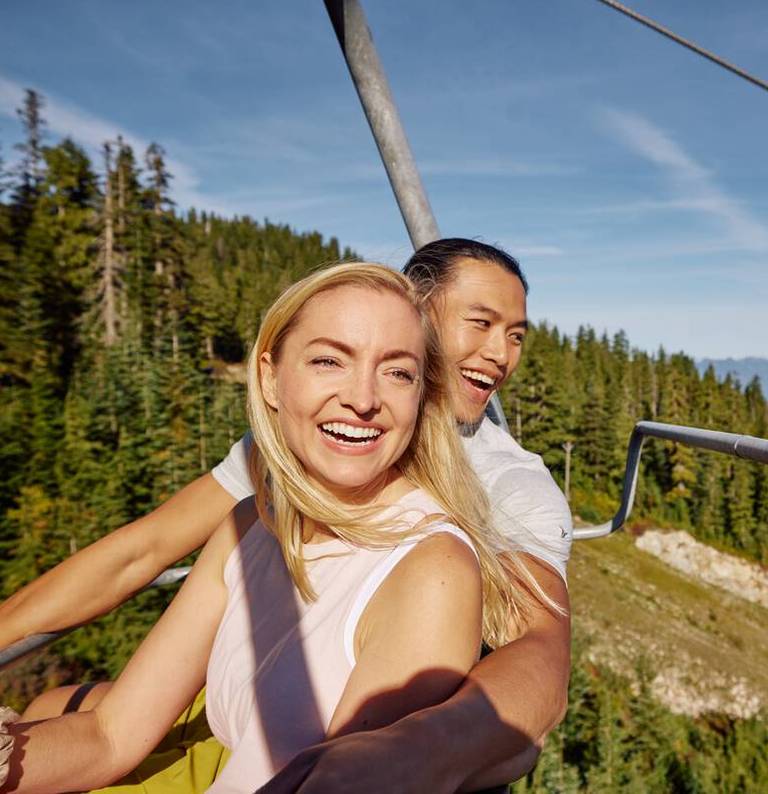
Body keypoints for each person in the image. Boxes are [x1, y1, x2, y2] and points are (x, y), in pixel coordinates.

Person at [0, 239, 572, 792]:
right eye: (481, 323)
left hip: (330, 716)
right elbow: (144, 551)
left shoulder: (504, 489)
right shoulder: (283, 468)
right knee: (50, 706)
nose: (500, 354)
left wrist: (421, 750)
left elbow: (541, 648)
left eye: (515, 335)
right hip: (246, 695)